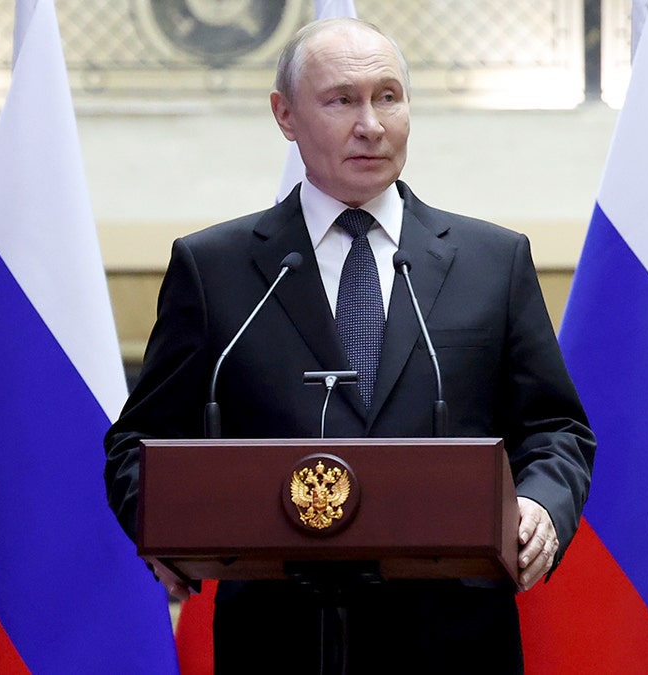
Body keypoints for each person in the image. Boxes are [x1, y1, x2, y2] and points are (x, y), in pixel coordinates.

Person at [104, 17, 595, 673]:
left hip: (452, 643)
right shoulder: (214, 268)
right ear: (286, 115)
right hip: (279, 643)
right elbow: (138, 444)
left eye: (388, 96)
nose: (372, 123)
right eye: (341, 100)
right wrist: (164, 526)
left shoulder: (491, 261)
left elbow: (557, 428)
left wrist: (540, 505)